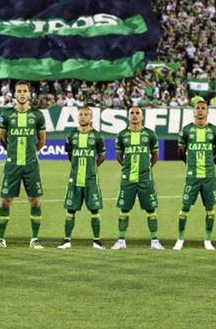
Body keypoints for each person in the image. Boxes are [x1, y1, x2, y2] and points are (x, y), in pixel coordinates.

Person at [0, 81, 46, 249]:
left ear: (30, 94)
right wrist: (13, 152)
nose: (22, 94)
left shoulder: (37, 115)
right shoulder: (7, 115)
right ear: (14, 94)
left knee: (35, 201)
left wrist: (30, 153)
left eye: (25, 91)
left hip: (31, 165)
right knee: (5, 201)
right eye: (19, 91)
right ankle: (1, 239)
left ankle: (34, 239)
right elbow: (2, 138)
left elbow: (41, 141)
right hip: (12, 165)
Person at [173, 99, 216, 251]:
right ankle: (180, 239)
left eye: (203, 108)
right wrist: (190, 165)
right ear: (193, 112)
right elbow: (181, 151)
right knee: (185, 207)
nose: (200, 110)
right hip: (192, 177)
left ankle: (207, 240)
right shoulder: (187, 130)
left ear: (207, 112)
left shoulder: (214, 131)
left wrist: (210, 166)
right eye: (198, 108)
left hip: (209, 177)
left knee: (210, 208)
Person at [111, 106, 164, 250]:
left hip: (145, 179)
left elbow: (155, 156)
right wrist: (127, 168)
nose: (134, 116)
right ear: (128, 117)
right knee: (124, 209)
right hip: (128, 179)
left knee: (151, 209)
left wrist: (146, 168)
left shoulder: (150, 134)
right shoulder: (122, 135)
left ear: (142, 117)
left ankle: (154, 241)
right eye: (132, 113)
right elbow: (119, 156)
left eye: (137, 113)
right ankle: (121, 240)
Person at [58, 106, 106, 250]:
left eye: (86, 115)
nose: (83, 117)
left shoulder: (97, 136)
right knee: (70, 210)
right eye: (81, 114)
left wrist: (92, 167)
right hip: (75, 179)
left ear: (91, 118)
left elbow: (102, 156)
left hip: (91, 180)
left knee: (95, 210)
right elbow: (70, 155)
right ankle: (67, 240)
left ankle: (96, 241)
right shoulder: (71, 135)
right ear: (78, 117)